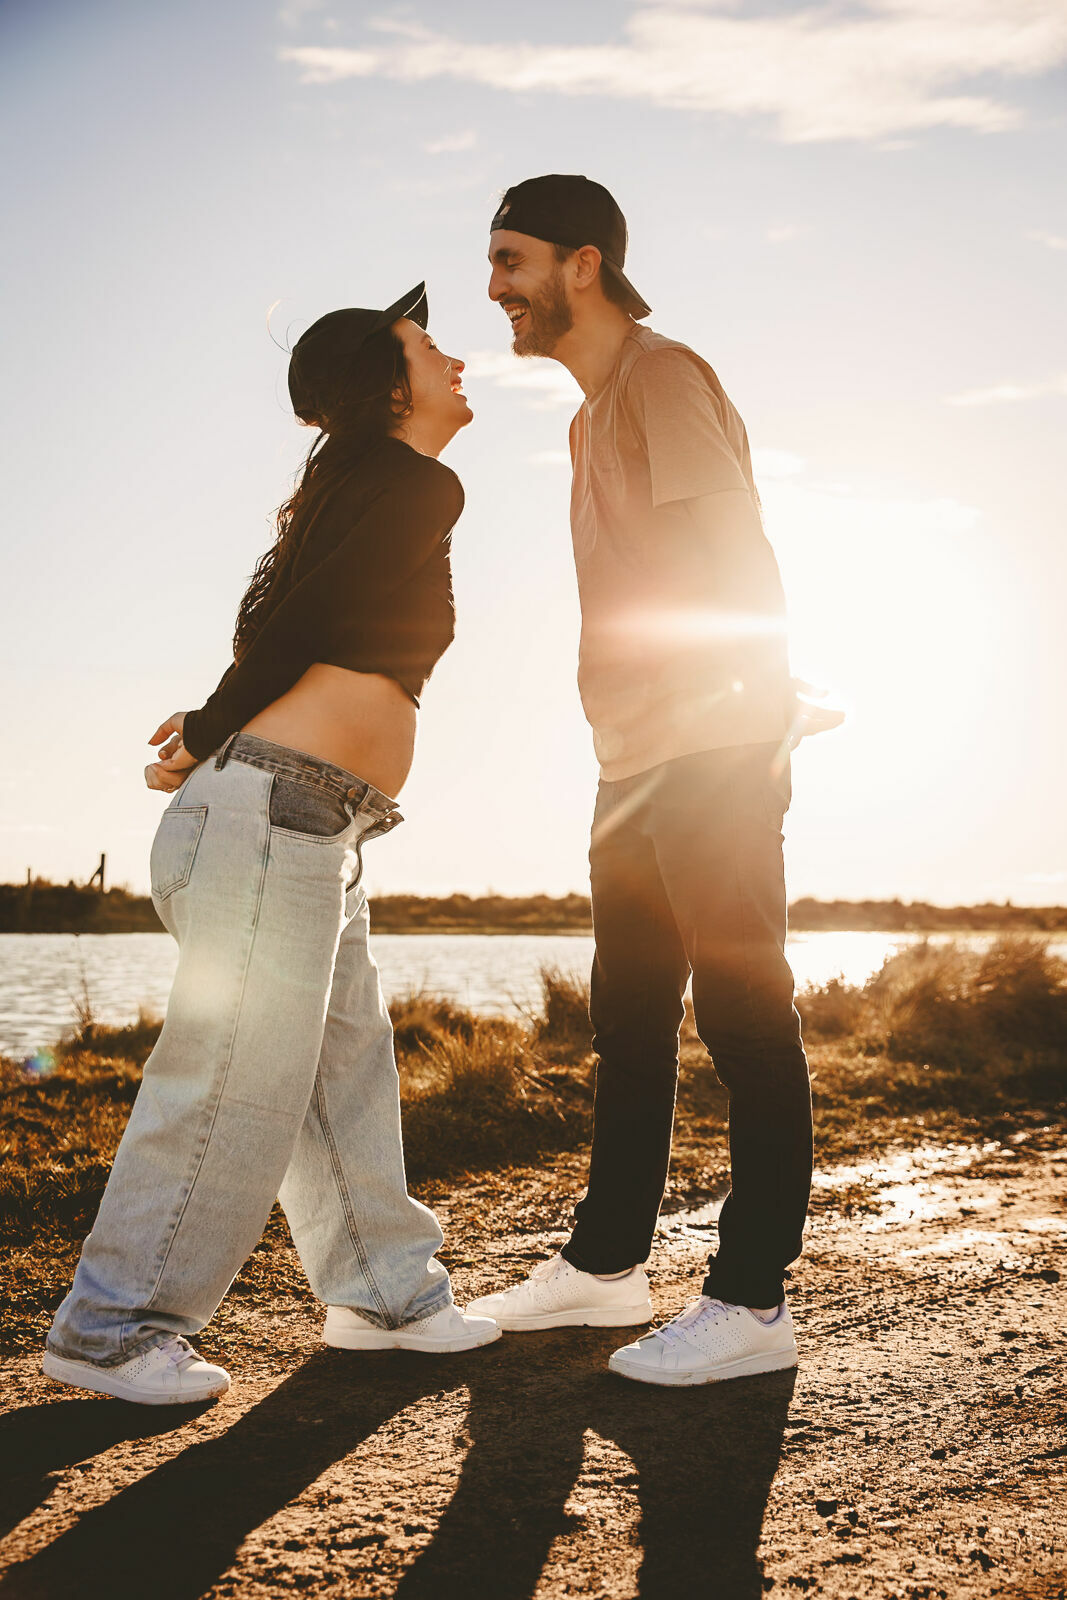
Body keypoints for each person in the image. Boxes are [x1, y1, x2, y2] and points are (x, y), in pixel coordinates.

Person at [44, 283, 499, 1405]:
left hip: (307, 820)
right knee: (232, 1080)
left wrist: (210, 733)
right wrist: (207, 727)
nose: (455, 357)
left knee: (344, 1071)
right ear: (388, 386)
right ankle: (110, 1329)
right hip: (269, 813)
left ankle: (387, 1294)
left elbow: (307, 623)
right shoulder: (408, 482)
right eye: (427, 344)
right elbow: (302, 628)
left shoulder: (373, 487)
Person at [469, 176, 841, 1386]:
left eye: (511, 260)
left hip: (714, 747)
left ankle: (750, 1299)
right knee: (628, 1021)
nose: (495, 290)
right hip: (633, 760)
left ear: (583, 265)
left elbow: (737, 550)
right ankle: (605, 1265)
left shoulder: (663, 377)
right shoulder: (586, 419)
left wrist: (757, 723)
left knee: (740, 1011)